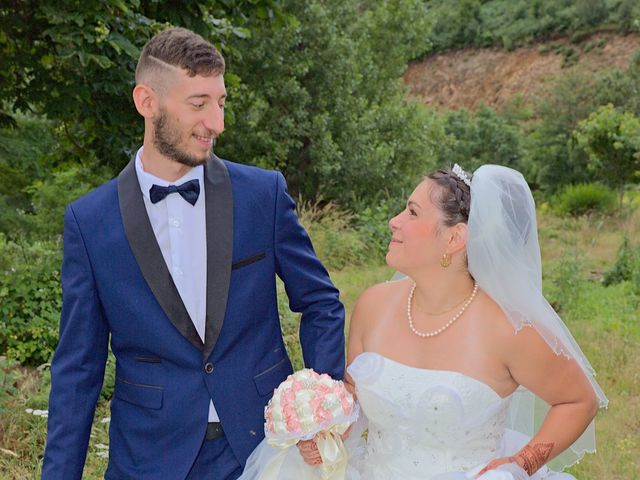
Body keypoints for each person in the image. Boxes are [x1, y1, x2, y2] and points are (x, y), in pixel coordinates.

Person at [41, 27, 345, 480]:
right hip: (148, 456)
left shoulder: (263, 194)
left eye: (221, 103)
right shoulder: (90, 222)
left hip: (263, 448)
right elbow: (78, 368)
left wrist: (320, 416)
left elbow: (320, 303)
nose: (217, 123)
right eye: (198, 104)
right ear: (147, 102)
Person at [339, 164, 607, 479]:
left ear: (455, 238)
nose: (394, 221)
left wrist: (523, 463)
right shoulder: (373, 305)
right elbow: (353, 400)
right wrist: (322, 428)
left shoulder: (509, 329)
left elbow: (578, 400)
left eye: (412, 213)